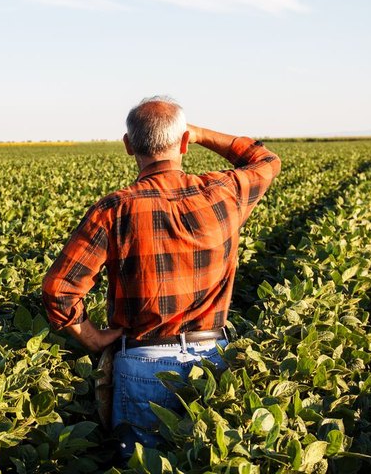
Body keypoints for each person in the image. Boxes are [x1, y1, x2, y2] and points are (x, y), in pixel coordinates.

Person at [41, 95, 281, 457]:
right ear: (184, 142)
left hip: (141, 363)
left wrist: (91, 338)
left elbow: (59, 290)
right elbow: (265, 160)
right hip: (212, 360)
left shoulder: (114, 209)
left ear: (128, 146)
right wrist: (199, 133)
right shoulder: (224, 192)